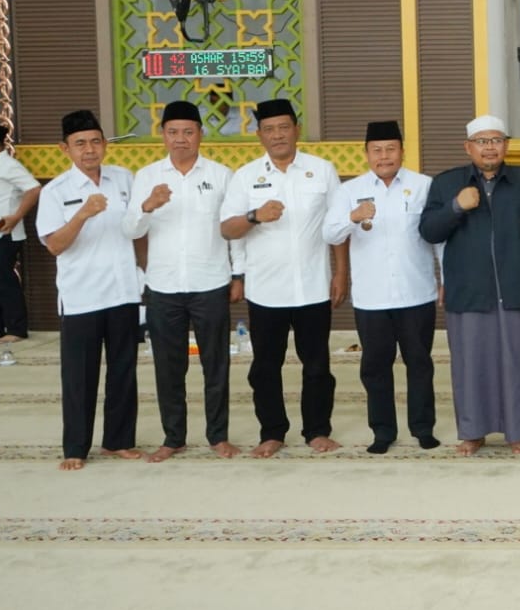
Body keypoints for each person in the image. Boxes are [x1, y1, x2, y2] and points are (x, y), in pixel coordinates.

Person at [419, 115, 520, 455]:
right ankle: (472, 432)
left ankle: (518, 431)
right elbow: (429, 231)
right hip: (468, 291)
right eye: (482, 141)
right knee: (471, 365)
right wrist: (456, 207)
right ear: (468, 147)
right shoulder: (446, 183)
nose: (490, 147)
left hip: (516, 287)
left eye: (496, 140)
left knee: (518, 362)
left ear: (506, 145)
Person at [221, 98, 347, 458]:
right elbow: (227, 229)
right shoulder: (245, 176)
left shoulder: (321, 170)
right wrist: (255, 216)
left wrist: (341, 272)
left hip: (313, 286)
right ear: (259, 135)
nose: (277, 135)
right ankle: (272, 432)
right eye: (269, 129)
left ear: (296, 129)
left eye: (284, 127)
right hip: (266, 290)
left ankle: (317, 430)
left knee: (317, 365)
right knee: (265, 367)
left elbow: (337, 226)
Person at [122, 100, 243, 461]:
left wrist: (238, 274)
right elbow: (130, 229)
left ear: (200, 134)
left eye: (188, 132)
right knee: (168, 367)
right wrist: (147, 206)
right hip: (163, 286)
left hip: (211, 282)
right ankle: (173, 437)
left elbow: (234, 232)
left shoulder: (221, 175)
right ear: (162, 135)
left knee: (216, 365)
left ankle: (218, 436)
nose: (180, 139)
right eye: (173, 132)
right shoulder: (147, 176)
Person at [323, 120, 440, 454]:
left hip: (417, 293)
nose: (384, 156)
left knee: (420, 363)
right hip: (371, 298)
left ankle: (423, 428)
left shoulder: (424, 186)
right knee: (375, 368)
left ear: (402, 151)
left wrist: (445, 278)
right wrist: (353, 216)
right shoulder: (349, 190)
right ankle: (383, 432)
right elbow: (329, 234)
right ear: (366, 153)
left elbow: (439, 238)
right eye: (377, 150)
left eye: (391, 149)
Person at [36, 110, 143, 471]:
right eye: (80, 143)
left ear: (105, 145)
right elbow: (54, 245)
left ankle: (118, 441)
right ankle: (76, 448)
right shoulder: (55, 192)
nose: (89, 150)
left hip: (124, 291)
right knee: (79, 377)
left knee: (123, 371)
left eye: (96, 141)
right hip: (81, 296)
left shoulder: (124, 179)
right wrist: (81, 214)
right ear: (64, 149)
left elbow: (136, 230)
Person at [0, 119, 40, 343]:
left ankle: (16, 329)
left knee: (3, 281)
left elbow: (33, 189)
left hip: (2, 233)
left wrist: (17, 216)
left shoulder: (8, 165)